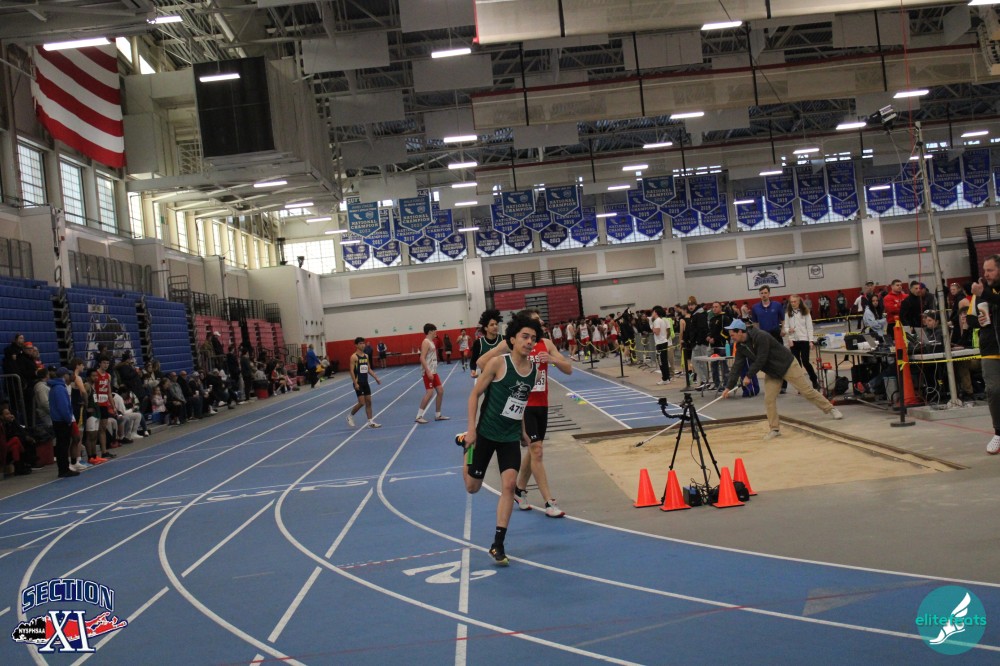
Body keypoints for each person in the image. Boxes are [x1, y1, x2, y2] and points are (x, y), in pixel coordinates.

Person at [460, 312, 542, 566]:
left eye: (533, 338)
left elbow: (520, 402)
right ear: (513, 339)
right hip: (485, 433)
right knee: (472, 487)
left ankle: (498, 544)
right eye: (525, 337)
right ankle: (465, 448)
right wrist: (471, 430)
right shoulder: (498, 364)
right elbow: (474, 395)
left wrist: (522, 431)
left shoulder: (534, 372)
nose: (529, 342)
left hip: (509, 436)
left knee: (509, 485)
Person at [477, 309, 572, 517]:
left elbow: (569, 369)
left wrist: (553, 359)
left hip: (541, 405)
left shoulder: (546, 344)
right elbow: (482, 362)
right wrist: (501, 381)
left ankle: (519, 489)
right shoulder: (512, 344)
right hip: (523, 405)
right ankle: (549, 502)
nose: (540, 323)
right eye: (536, 320)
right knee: (536, 450)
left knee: (533, 450)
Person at [721, 319, 843, 439]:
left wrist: (749, 375)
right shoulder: (740, 346)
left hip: (787, 365)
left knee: (806, 391)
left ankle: (830, 409)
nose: (732, 338)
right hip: (772, 372)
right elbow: (737, 366)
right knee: (769, 399)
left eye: (732, 335)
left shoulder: (760, 336)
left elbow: (761, 358)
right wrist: (728, 387)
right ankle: (774, 429)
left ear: (740, 331)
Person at [752, 286, 786, 392]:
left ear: (769, 294)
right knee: (767, 361)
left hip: (776, 334)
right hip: (763, 336)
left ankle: (784, 385)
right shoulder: (755, 307)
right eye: (761, 293)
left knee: (780, 359)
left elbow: (783, 319)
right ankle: (773, 384)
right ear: (759, 294)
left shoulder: (777, 305)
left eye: (765, 293)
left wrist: (783, 329)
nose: (763, 295)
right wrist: (756, 335)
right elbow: (755, 323)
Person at [782, 294, 820, 390]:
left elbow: (809, 328)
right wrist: (788, 331)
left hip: (804, 340)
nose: (793, 303)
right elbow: (785, 327)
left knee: (805, 361)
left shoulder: (806, 313)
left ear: (799, 302)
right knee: (797, 364)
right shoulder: (788, 313)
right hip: (793, 341)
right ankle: (801, 385)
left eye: (795, 301)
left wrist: (811, 341)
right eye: (791, 302)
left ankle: (814, 380)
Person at [49, 367, 79, 477]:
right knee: (63, 446)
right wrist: (68, 419)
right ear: (64, 375)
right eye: (68, 375)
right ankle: (63, 469)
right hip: (62, 421)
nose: (69, 377)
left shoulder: (56, 387)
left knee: (62, 445)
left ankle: (64, 468)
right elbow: (63, 407)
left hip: (58, 420)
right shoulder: (60, 389)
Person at [347, 336, 382, 428]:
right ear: (356, 345)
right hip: (358, 382)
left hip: (365, 382)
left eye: (363, 343)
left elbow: (368, 369)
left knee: (369, 402)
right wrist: (355, 383)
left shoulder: (366, 356)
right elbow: (351, 371)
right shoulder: (354, 357)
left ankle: (370, 422)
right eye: (360, 343)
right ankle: (350, 416)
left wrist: (376, 378)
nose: (363, 345)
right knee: (362, 403)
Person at [416, 323, 448, 423]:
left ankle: (438, 415)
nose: (436, 332)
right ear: (430, 331)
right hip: (428, 371)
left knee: (440, 391)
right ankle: (419, 416)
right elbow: (422, 357)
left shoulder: (432, 342)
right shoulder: (426, 342)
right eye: (435, 331)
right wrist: (428, 371)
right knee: (429, 393)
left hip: (434, 371)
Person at [706, 301, 732, 392]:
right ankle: (717, 384)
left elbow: (726, 332)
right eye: (713, 307)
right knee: (714, 367)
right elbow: (710, 331)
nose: (714, 308)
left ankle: (726, 385)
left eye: (716, 306)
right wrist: (709, 336)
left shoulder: (725, 318)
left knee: (724, 366)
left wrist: (715, 339)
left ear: (720, 308)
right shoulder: (712, 319)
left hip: (722, 346)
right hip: (713, 347)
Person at [470, 309, 502, 379]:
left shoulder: (504, 340)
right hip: (487, 377)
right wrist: (473, 370)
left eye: (496, 324)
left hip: (502, 376)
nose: (495, 326)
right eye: (492, 325)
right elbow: (473, 360)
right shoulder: (478, 343)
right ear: (486, 328)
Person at [651, 306, 672, 384]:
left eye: (653, 312)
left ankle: (665, 378)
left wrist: (652, 327)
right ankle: (667, 378)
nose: (652, 313)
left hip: (660, 343)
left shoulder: (657, 321)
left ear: (656, 312)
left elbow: (657, 332)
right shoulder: (661, 320)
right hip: (663, 342)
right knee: (664, 361)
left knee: (661, 361)